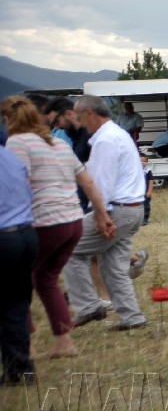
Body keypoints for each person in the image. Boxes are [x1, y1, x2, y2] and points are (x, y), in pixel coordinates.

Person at [1, 96, 113, 360]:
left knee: (19, 282)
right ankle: (64, 341)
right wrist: (100, 213)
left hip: (45, 222)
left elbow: (19, 182)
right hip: (72, 222)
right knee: (46, 279)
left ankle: (24, 347)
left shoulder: (16, 143)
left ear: (8, 120)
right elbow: (86, 180)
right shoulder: (59, 143)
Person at [63, 95, 148, 331]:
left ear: (90, 113)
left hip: (116, 210)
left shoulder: (105, 140)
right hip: (133, 210)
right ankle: (132, 317)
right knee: (113, 266)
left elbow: (101, 184)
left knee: (69, 248)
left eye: (80, 117)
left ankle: (88, 306)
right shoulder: (118, 134)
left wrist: (100, 215)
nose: (80, 123)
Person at [0, 145, 38, 385]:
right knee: (16, 305)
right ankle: (20, 369)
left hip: (4, 237)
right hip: (25, 235)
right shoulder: (8, 155)